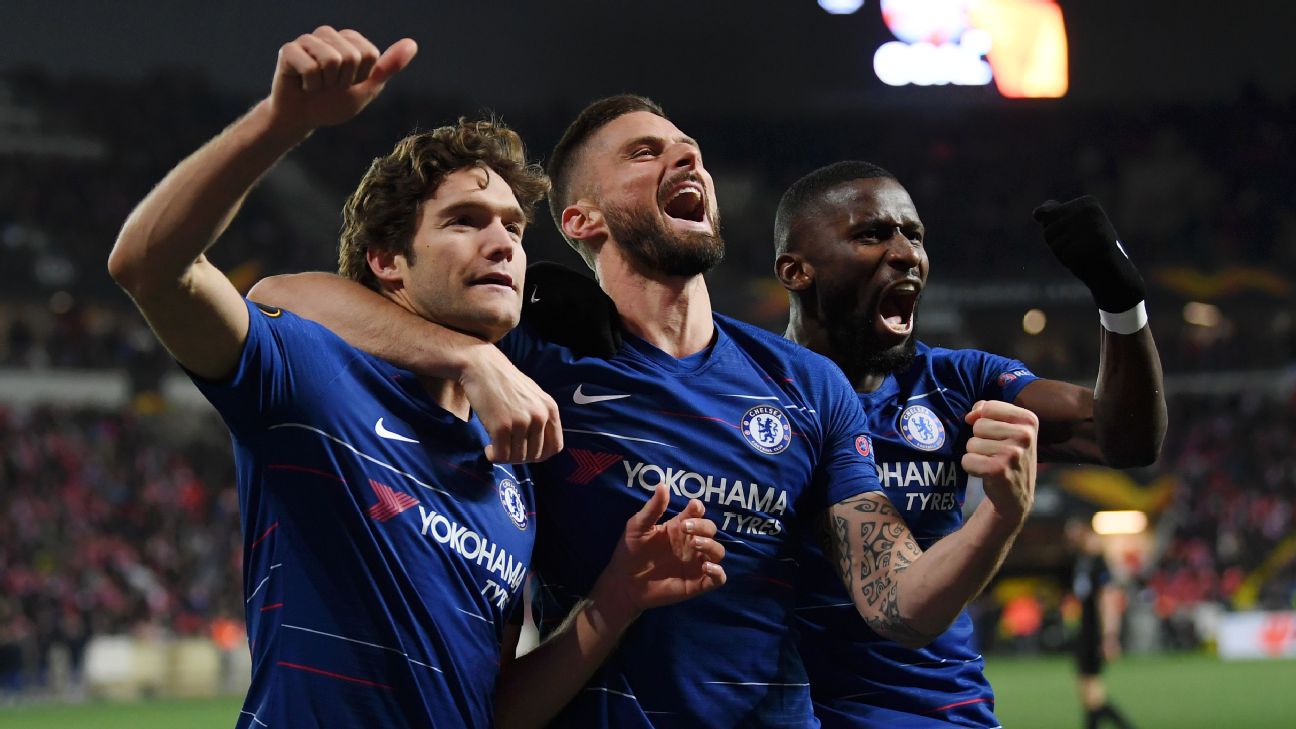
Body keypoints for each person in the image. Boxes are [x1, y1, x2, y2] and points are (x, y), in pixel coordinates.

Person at [250, 95, 1040, 728]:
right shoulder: (533, 357)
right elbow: (284, 300)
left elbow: (896, 603)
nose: (685, 155)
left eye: (686, 146)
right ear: (581, 221)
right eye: (645, 152)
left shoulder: (805, 384)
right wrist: (474, 357)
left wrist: (997, 515)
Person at [107, 30, 727, 729]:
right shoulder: (310, 380)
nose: (502, 244)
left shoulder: (510, 473)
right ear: (386, 260)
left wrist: (614, 601)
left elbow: (492, 711)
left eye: (515, 229)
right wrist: (281, 123)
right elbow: (149, 266)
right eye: (465, 222)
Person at [772, 161, 1166, 727]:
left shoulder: (959, 383)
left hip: (947, 714)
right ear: (796, 269)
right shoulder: (751, 390)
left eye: (914, 235)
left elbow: (1124, 438)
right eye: (872, 234)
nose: (907, 252)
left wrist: (1121, 302)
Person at [1067, 519, 1137, 729]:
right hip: (1085, 631)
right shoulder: (1083, 560)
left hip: (1096, 633)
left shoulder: (1099, 563)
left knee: (1092, 692)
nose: (1069, 535)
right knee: (1088, 693)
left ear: (1085, 530)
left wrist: (1109, 636)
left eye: (1072, 530)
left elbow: (1108, 600)